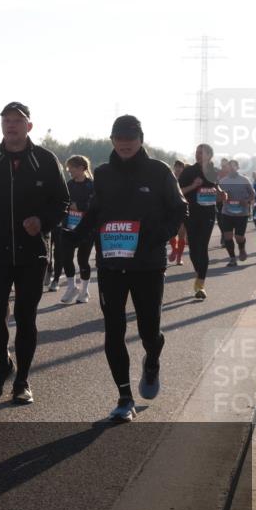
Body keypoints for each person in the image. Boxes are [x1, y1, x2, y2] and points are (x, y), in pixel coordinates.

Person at [68, 116, 187, 422]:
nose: (124, 143)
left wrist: (159, 235)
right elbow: (94, 212)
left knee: (149, 329)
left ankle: (152, 360)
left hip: (147, 264)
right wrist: (74, 236)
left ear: (140, 138)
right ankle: (124, 397)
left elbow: (179, 207)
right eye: (118, 138)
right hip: (111, 263)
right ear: (112, 140)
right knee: (114, 329)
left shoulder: (158, 171)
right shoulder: (104, 174)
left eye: (129, 138)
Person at [0, 102, 69, 405]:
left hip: (32, 252)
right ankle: (2, 364)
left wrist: (43, 222)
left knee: (25, 317)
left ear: (28, 126)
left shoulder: (45, 160)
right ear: (1, 126)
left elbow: (62, 201)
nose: (11, 125)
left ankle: (22, 380)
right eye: (6, 121)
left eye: (17, 121)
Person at [178, 144, 222, 299]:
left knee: (202, 247)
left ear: (209, 155)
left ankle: (200, 285)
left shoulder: (213, 171)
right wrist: (193, 185)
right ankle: (199, 273)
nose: (197, 155)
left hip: (208, 214)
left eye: (201, 153)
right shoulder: (189, 171)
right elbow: (179, 192)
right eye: (196, 152)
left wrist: (221, 194)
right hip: (191, 214)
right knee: (195, 250)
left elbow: (216, 188)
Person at [57, 155, 95, 304]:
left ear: (81, 168)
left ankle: (84, 291)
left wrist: (78, 206)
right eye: (68, 168)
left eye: (71, 167)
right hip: (68, 227)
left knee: (82, 259)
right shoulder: (69, 185)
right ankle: (71, 287)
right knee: (66, 258)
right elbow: (62, 202)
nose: (69, 171)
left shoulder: (92, 185)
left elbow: (94, 205)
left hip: (87, 229)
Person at [219, 160, 255, 266]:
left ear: (238, 167)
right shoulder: (223, 181)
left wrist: (247, 201)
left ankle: (242, 248)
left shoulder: (244, 180)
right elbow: (218, 196)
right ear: (227, 168)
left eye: (234, 166)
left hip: (241, 213)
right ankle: (232, 258)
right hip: (227, 212)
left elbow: (252, 194)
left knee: (239, 237)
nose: (231, 169)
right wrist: (223, 196)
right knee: (228, 237)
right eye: (229, 167)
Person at [168, 160, 188, 265]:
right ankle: (174, 249)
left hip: (182, 209)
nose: (178, 168)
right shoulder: (168, 177)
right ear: (174, 167)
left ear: (183, 169)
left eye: (181, 167)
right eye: (177, 166)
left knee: (181, 234)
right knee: (171, 233)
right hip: (170, 209)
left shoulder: (186, 179)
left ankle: (179, 258)